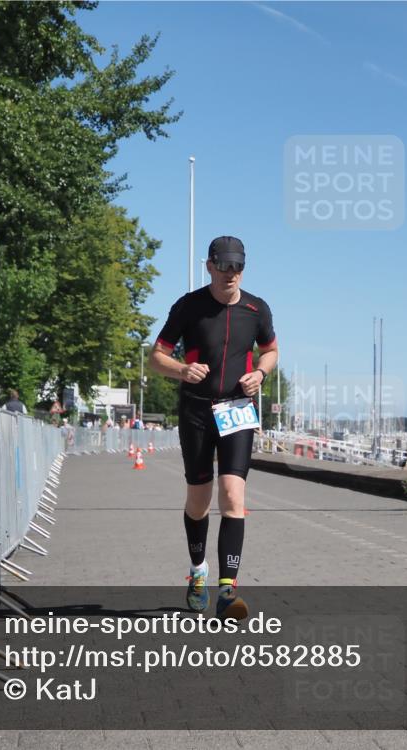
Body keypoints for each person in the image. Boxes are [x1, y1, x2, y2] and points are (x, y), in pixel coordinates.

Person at [149, 236, 277, 620]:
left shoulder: (257, 309)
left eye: (237, 267)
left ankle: (227, 591)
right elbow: (157, 356)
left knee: (233, 496)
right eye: (223, 266)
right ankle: (198, 571)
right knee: (199, 500)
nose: (230, 274)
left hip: (237, 410)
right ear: (209, 266)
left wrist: (260, 373)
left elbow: (270, 350)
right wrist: (182, 370)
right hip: (197, 412)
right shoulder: (189, 307)